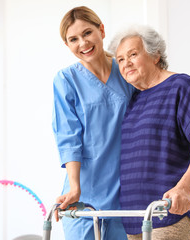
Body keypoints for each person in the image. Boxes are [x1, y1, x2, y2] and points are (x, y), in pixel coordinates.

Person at [108, 25, 190, 240]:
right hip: (134, 215)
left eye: (133, 54)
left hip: (168, 210)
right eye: (120, 59)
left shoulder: (180, 85)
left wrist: (184, 189)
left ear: (155, 55)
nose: (126, 63)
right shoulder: (134, 100)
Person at [52, 6, 135, 240]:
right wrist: (75, 188)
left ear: (101, 30)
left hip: (124, 189)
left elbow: (155, 87)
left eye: (87, 33)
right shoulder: (66, 80)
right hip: (84, 190)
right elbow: (68, 137)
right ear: (67, 45)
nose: (83, 43)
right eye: (73, 39)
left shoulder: (126, 71)